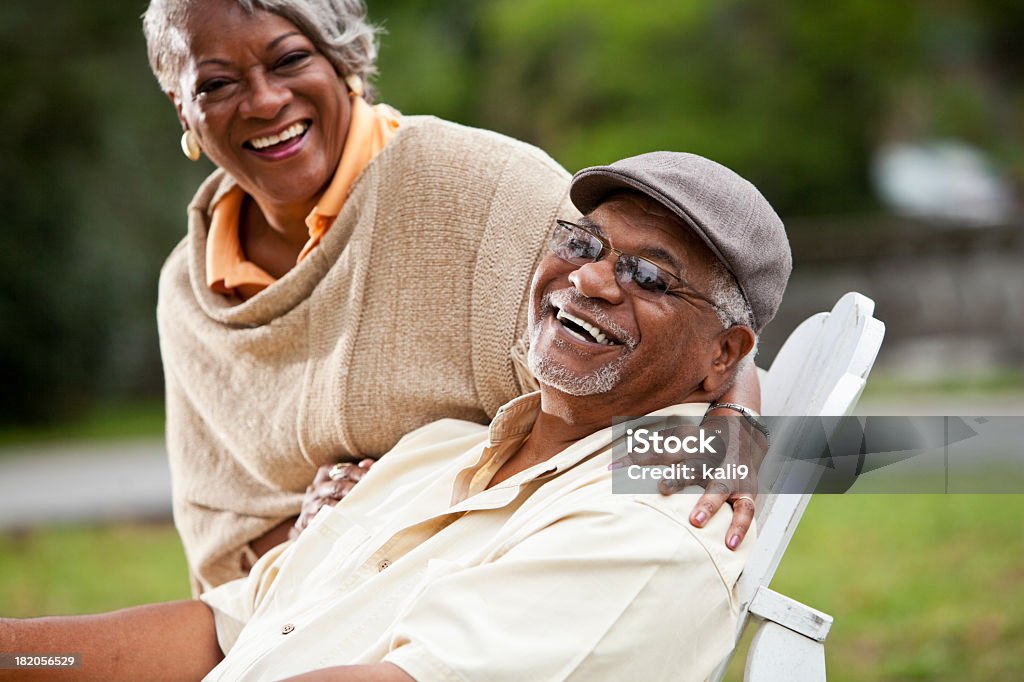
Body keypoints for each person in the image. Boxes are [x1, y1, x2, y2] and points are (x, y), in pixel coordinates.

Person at [0, 151, 790, 682]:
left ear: (724, 355)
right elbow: (225, 632)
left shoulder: (651, 531)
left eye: (648, 275)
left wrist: (742, 422)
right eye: (582, 243)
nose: (590, 282)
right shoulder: (432, 453)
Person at [143, 0, 764, 592]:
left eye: (289, 60)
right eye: (216, 84)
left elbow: (702, 351)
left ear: (343, 60)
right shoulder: (188, 292)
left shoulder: (479, 186)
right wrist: (319, 534)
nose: (264, 100)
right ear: (180, 109)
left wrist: (736, 433)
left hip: (500, 581)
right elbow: (221, 529)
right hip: (299, 612)